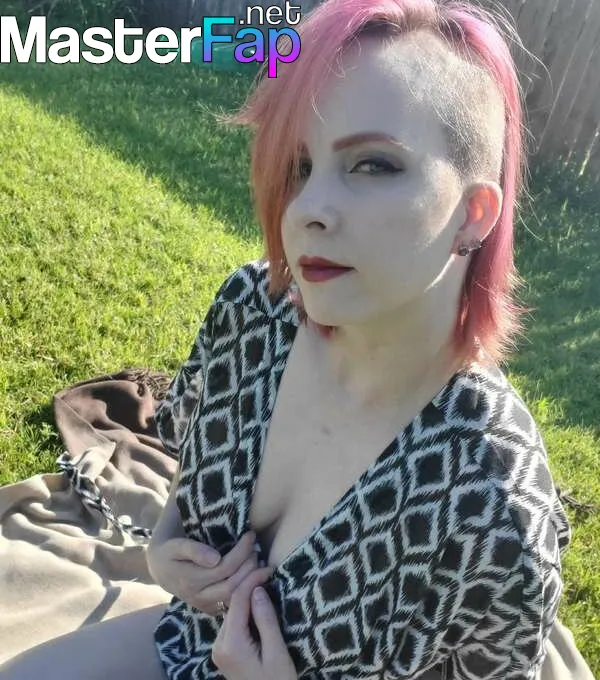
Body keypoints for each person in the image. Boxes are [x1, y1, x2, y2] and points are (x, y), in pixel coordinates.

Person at [0, 0, 575, 678]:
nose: (307, 211)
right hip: (183, 637)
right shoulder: (256, 311)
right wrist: (165, 552)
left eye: (372, 165)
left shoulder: (493, 506)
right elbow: (188, 484)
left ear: (473, 214)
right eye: (299, 167)